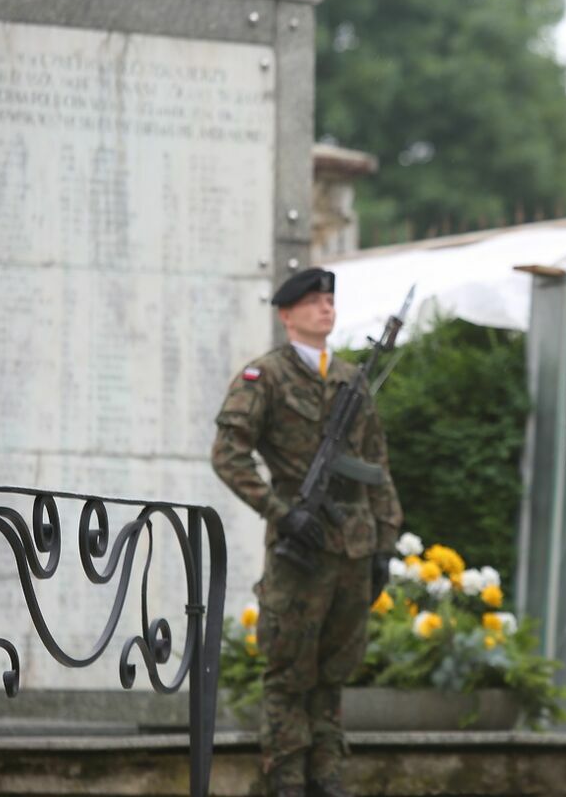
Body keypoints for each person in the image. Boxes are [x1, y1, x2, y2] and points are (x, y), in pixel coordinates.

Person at [211, 267, 403, 797]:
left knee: (334, 672)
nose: (326, 308)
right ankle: (288, 780)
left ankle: (327, 776)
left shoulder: (351, 380)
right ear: (286, 314)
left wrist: (385, 543)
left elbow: (376, 466)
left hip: (353, 547)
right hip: (302, 546)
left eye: (329, 300)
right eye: (314, 301)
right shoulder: (265, 377)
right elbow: (228, 454)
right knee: (289, 670)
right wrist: (280, 512)